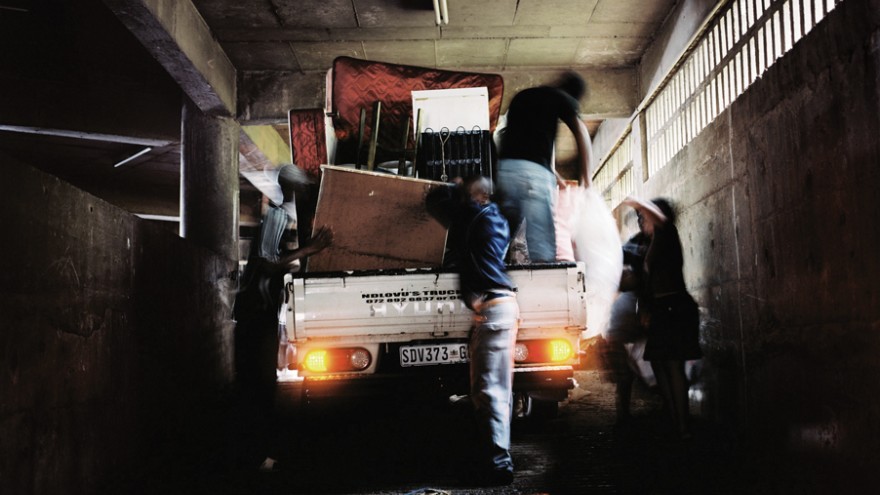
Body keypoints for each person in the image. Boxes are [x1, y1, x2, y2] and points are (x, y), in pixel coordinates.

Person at [233, 164, 333, 470]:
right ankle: (258, 456)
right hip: (255, 316)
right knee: (259, 387)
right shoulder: (278, 212)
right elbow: (267, 264)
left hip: (260, 314)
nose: (308, 193)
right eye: (305, 188)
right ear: (296, 189)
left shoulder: (285, 213)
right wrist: (309, 249)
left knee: (260, 386)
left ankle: (258, 452)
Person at [425, 175, 519, 486]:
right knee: (498, 390)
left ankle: (499, 463)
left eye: (469, 193)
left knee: (488, 390)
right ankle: (496, 456)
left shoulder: (475, 215)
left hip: (492, 310)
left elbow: (434, 199)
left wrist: (454, 185)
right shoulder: (498, 218)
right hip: (503, 307)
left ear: (478, 196)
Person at [622, 196, 701, 440]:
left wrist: (636, 202)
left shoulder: (667, 233)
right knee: (659, 364)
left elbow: (660, 219)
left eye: (644, 218)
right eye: (639, 219)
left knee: (673, 366)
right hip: (661, 309)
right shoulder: (647, 245)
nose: (640, 222)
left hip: (675, 307)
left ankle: (682, 427)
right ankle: (673, 417)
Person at [496, 71, 595, 263]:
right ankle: (544, 289)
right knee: (540, 245)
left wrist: (555, 176)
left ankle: (499, 286)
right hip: (533, 178)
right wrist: (587, 179)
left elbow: (517, 141)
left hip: (505, 172)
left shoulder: (522, 96)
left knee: (504, 238)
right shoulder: (563, 98)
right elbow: (581, 131)